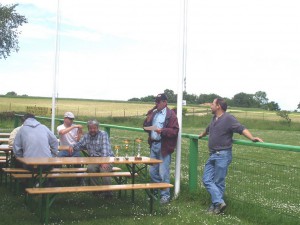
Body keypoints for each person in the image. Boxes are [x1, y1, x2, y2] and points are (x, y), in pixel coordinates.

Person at [198, 98, 263, 214]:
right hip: (212, 154)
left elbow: (241, 128)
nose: (210, 106)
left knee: (218, 182)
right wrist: (202, 135)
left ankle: (215, 207)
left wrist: (252, 138)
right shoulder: (214, 118)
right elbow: (208, 129)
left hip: (223, 155)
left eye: (212, 104)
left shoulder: (228, 118)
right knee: (206, 179)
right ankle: (219, 202)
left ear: (218, 106)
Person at [143, 93, 179, 204]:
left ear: (165, 102)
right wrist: (147, 120)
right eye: (156, 102)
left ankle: (165, 196)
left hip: (164, 146)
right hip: (154, 145)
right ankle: (156, 192)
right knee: (153, 171)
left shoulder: (171, 115)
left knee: (163, 172)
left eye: (158, 102)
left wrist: (162, 131)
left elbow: (174, 131)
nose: (156, 104)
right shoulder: (154, 114)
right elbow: (145, 128)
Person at [68, 119, 114, 198]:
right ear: (88, 128)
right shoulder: (86, 136)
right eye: (90, 128)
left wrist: (104, 161)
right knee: (90, 168)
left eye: (94, 128)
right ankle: (96, 191)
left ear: (98, 128)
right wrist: (72, 147)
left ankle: (108, 192)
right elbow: (80, 144)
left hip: (106, 158)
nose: (92, 130)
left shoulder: (103, 134)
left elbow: (105, 149)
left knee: (104, 170)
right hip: (94, 160)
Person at [13, 113, 59, 186]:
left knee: (16, 161)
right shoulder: (44, 127)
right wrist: (52, 156)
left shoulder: (22, 130)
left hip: (29, 165)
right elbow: (55, 141)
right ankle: (44, 183)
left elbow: (16, 148)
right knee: (52, 166)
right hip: (46, 164)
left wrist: (22, 159)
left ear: (24, 120)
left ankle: (24, 183)